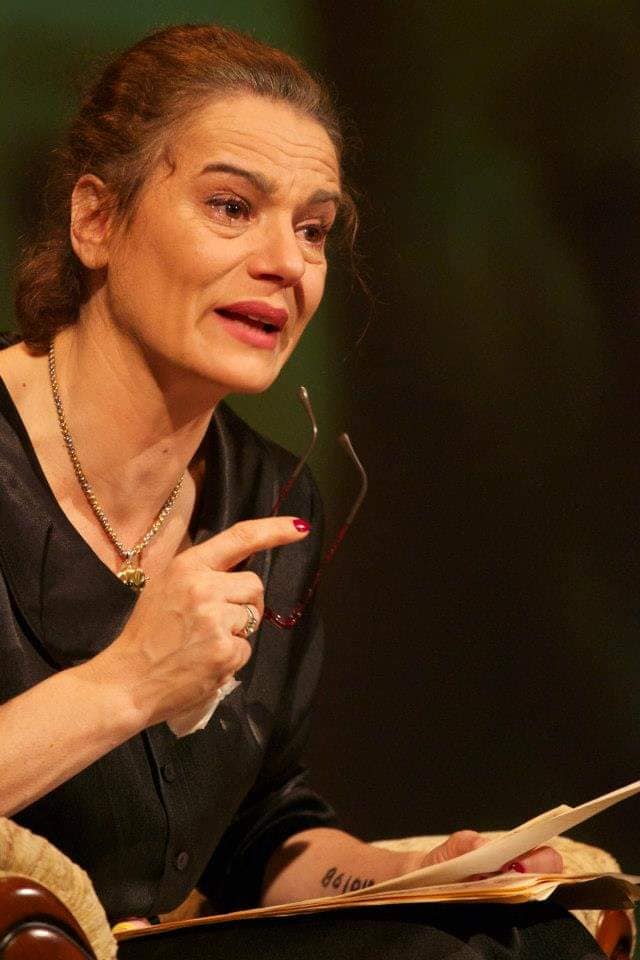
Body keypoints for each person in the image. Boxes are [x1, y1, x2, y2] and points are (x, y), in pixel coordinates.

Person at [0, 23, 604, 959]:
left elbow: (261, 831)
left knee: (522, 934)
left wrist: (415, 878)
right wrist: (129, 683)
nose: (286, 262)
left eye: (313, 229)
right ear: (97, 221)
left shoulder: (272, 497)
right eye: (232, 207)